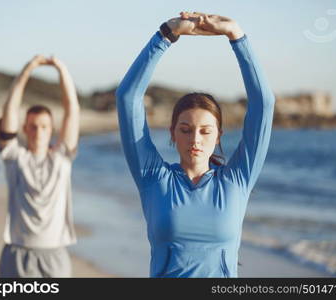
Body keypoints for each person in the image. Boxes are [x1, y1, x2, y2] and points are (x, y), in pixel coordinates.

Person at [116, 12, 275, 277]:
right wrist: (166, 34)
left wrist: (236, 35)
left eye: (205, 131)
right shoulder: (153, 177)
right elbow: (127, 97)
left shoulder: (237, 179)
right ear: (173, 133)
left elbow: (264, 104)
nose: (196, 139)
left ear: (219, 135)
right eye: (186, 130)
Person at [0, 55, 80, 277]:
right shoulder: (14, 157)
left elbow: (72, 109)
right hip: (17, 254)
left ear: (52, 129)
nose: (38, 131)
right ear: (25, 128)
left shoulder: (62, 158)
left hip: (55, 255)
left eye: (44, 126)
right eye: (33, 126)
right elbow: (9, 111)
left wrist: (61, 69)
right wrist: (27, 70)